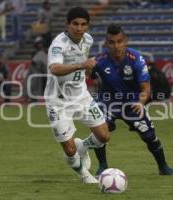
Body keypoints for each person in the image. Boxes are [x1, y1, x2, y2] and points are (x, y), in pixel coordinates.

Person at [91, 24, 173, 176]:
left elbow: (146, 89)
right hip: (107, 102)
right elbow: (89, 78)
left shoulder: (137, 59)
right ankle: (103, 166)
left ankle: (163, 167)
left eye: (119, 41)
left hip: (132, 103)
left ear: (126, 41)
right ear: (106, 44)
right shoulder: (98, 61)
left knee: (149, 135)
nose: (116, 46)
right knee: (100, 131)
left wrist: (140, 103)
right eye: (111, 42)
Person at [44, 7, 110, 184]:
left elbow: (84, 65)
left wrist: (87, 72)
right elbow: (54, 68)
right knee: (68, 147)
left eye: (83, 24)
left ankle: (83, 146)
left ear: (87, 26)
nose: (79, 28)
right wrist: (81, 65)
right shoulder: (58, 44)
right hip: (58, 101)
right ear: (67, 24)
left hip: (81, 96)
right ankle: (84, 174)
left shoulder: (87, 39)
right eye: (75, 24)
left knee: (104, 136)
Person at [24, 36, 48, 102]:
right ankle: (30, 97)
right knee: (29, 82)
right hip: (35, 71)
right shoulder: (37, 53)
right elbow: (33, 63)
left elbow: (45, 65)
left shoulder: (44, 53)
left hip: (43, 73)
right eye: (38, 44)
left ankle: (33, 98)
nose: (39, 45)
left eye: (40, 43)